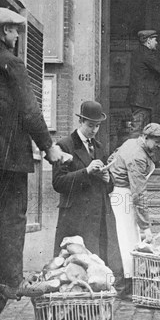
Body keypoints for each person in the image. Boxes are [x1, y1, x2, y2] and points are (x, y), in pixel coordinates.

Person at [0, 8, 66, 299]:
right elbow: (30, 111)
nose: (17, 35)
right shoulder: (11, 63)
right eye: (14, 30)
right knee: (13, 216)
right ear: (5, 31)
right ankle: (10, 281)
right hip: (11, 153)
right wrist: (49, 147)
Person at [107, 123, 160, 299]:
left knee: (127, 240)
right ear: (146, 137)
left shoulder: (132, 143)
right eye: (157, 142)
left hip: (122, 193)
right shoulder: (137, 156)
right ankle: (123, 286)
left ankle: (127, 283)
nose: (159, 146)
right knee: (126, 240)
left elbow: (113, 158)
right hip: (124, 197)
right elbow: (139, 194)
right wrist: (145, 226)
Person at [52, 101, 116, 261]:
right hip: (75, 217)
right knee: (73, 264)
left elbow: (108, 186)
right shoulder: (65, 145)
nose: (94, 130)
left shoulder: (99, 147)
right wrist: (86, 171)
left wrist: (108, 180)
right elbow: (58, 182)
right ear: (80, 121)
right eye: (90, 125)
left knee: (96, 265)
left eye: (97, 126)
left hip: (97, 217)